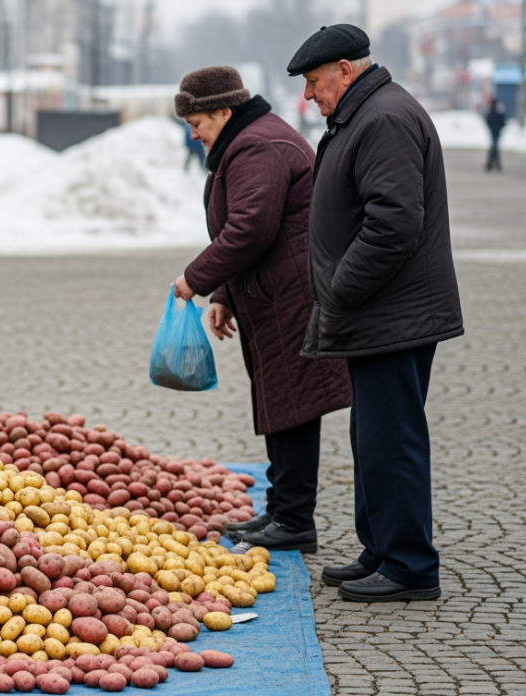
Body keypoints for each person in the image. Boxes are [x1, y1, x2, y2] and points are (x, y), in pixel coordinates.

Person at [288, 25, 463, 602]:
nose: (309, 95)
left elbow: (393, 223)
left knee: (394, 438)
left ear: (345, 68)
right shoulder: (363, 113)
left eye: (315, 82)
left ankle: (411, 565)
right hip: (380, 312)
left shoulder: (383, 117)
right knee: (373, 434)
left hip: (392, 312)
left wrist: (339, 289)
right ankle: (382, 548)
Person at [170, 66, 351, 554]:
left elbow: (250, 227)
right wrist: (226, 294)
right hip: (271, 292)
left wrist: (196, 279)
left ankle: (294, 520)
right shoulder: (249, 139)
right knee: (282, 401)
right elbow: (250, 227)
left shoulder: (256, 146)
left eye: (198, 122)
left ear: (224, 112)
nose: (193, 132)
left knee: (292, 404)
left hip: (288, 294)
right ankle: (284, 511)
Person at [485, 97, 506, 172]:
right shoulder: (494, 112)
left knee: (494, 148)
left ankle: (490, 164)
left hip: (496, 132)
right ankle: (495, 164)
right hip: (494, 132)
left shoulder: (496, 112)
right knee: (495, 148)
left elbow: (502, 122)